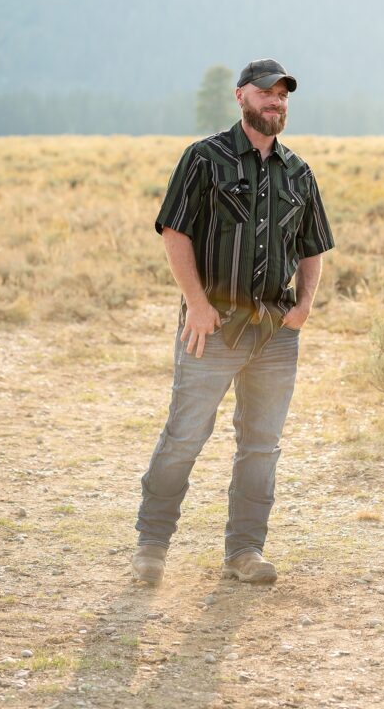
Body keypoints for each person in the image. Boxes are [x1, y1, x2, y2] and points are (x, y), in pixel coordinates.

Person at [132, 58, 335, 585]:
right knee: (184, 436)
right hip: (213, 327)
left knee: (261, 446)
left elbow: (313, 246)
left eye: (284, 95)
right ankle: (151, 545)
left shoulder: (299, 173)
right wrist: (196, 303)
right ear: (241, 96)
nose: (277, 102)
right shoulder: (205, 159)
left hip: (274, 335)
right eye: (267, 93)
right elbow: (174, 232)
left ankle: (244, 552)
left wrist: (304, 305)